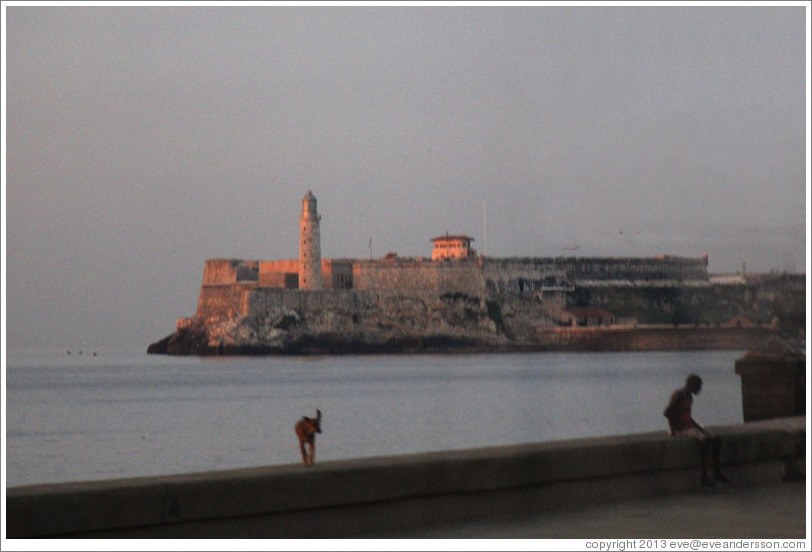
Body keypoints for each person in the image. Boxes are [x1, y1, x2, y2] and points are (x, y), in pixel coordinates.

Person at [663, 374, 731, 487]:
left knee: (715, 439)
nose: (700, 389)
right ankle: (704, 475)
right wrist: (676, 428)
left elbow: (687, 417)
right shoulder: (679, 395)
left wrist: (697, 427)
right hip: (678, 429)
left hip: (688, 427)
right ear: (691, 385)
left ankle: (716, 472)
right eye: (698, 386)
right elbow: (667, 412)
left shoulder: (689, 396)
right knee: (703, 440)